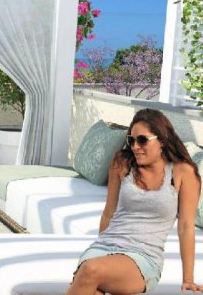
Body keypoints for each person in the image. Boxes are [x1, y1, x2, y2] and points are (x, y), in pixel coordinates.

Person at [67, 108, 201, 294]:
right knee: (93, 282)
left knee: (90, 270)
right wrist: (103, 258)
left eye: (142, 140)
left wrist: (188, 278)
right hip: (103, 247)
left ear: (161, 140)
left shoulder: (183, 172)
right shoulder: (122, 163)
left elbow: (186, 226)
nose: (135, 146)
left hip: (143, 256)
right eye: (131, 140)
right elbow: (109, 212)